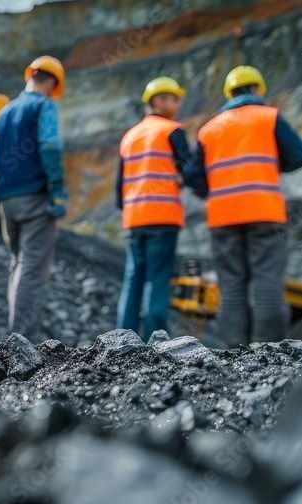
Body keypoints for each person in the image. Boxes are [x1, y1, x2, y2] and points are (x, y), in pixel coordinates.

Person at [184, 65, 302, 346]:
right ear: (256, 89)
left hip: (222, 216)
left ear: (229, 93)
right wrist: (274, 164)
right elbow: (300, 155)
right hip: (265, 212)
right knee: (266, 285)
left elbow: (192, 175)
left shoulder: (209, 129)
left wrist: (212, 190)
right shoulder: (269, 118)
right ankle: (268, 350)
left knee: (232, 289)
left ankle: (235, 353)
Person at [0, 55, 68, 342]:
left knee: (18, 264)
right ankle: (22, 341)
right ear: (53, 82)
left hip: (7, 199)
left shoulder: (4, 112)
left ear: (30, 76)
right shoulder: (43, 106)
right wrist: (58, 192)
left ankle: (16, 337)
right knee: (33, 268)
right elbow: (50, 148)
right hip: (35, 196)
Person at [115, 77, 192, 341]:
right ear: (157, 101)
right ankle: (155, 341)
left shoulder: (130, 136)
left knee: (133, 277)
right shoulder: (173, 131)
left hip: (134, 217)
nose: (177, 103)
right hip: (163, 216)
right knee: (157, 279)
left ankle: (121, 340)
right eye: (172, 98)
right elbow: (190, 170)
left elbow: (119, 187)